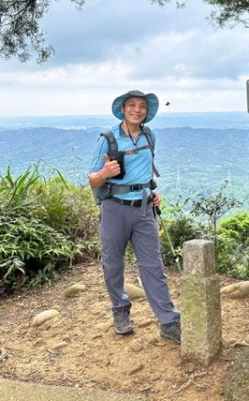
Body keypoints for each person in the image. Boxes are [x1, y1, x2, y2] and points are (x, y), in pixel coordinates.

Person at [88, 90, 181, 343]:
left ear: (146, 111)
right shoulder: (108, 139)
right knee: (113, 264)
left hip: (144, 210)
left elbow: (144, 173)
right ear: (123, 109)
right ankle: (120, 311)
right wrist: (105, 172)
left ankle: (169, 321)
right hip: (114, 209)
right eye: (132, 105)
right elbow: (92, 179)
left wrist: (151, 192)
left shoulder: (150, 135)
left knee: (154, 266)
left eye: (142, 106)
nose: (137, 110)